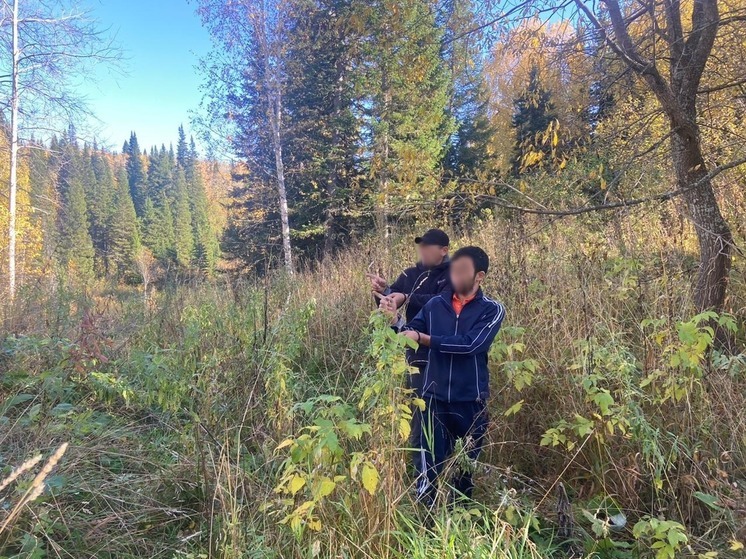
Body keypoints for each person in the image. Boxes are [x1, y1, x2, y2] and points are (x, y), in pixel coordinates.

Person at [381, 246, 505, 508]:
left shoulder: (492, 310)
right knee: (427, 466)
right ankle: (426, 525)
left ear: (479, 276)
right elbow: (409, 335)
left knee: (463, 470)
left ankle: (460, 522)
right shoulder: (435, 305)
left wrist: (425, 339)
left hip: (470, 401)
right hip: (432, 400)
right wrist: (395, 321)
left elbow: (471, 345)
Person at [366, 228, 452, 392]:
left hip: (444, 351)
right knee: (417, 402)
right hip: (415, 350)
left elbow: (443, 302)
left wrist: (407, 297)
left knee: (441, 404)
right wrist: (384, 292)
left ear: (444, 250)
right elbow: (391, 301)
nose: (423, 251)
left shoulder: (454, 275)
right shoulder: (409, 274)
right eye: (422, 246)